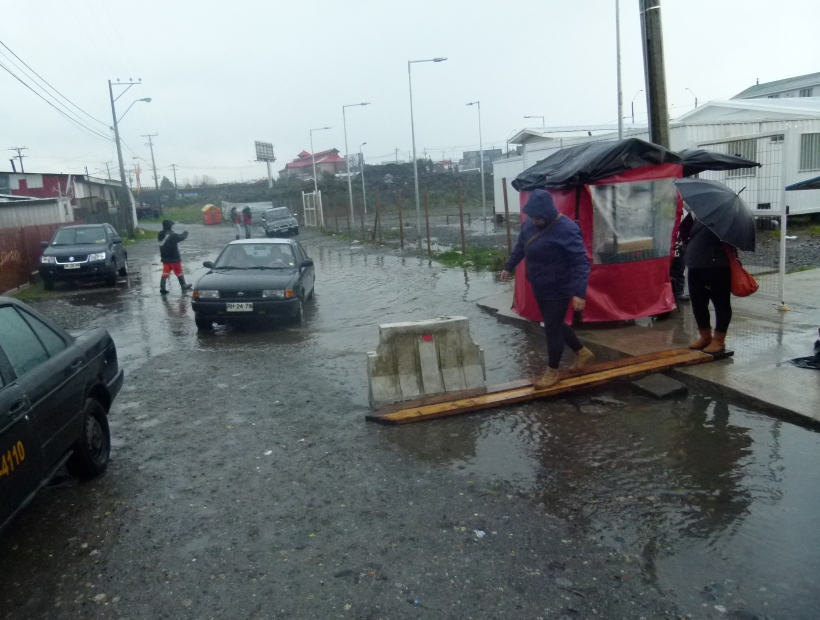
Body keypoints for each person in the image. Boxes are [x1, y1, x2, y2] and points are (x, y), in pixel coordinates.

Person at [501, 189, 593, 389]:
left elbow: (580, 263)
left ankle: (552, 372)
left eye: (538, 218)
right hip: (539, 283)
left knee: (551, 329)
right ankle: (582, 352)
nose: (534, 221)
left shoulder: (566, 229)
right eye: (532, 217)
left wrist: (579, 293)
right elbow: (520, 246)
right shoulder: (529, 224)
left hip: (559, 286)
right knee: (555, 323)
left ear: (548, 214)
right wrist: (508, 266)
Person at [684, 214, 732, 354]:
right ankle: (705, 336)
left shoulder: (722, 217)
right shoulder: (697, 215)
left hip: (716, 267)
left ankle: (719, 340)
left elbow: (726, 240)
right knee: (698, 303)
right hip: (695, 266)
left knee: (721, 303)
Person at [158, 219, 192, 294]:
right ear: (169, 226)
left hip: (165, 258)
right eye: (172, 225)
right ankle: (183, 285)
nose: (172, 227)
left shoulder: (160, 234)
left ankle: (162, 288)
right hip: (174, 257)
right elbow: (181, 237)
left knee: (165, 272)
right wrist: (186, 232)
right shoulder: (172, 235)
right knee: (179, 272)